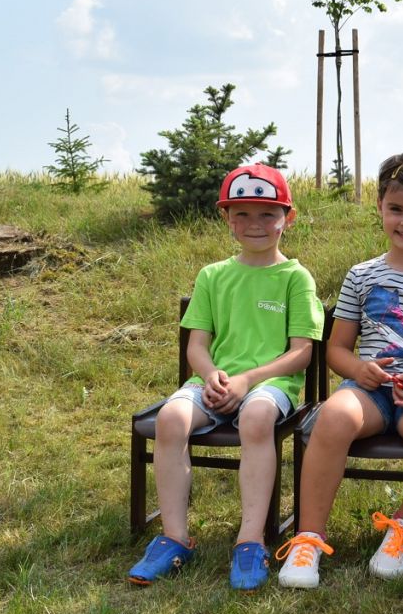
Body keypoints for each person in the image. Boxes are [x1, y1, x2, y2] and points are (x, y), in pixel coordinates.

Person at [278, 151, 403, 588]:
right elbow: (337, 349)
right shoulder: (361, 275)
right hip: (368, 392)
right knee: (333, 417)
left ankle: (402, 528)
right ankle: (308, 539)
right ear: (379, 207)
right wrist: (360, 369)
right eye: (396, 209)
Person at [128, 163, 325, 591]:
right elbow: (197, 346)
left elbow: (301, 354)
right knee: (170, 419)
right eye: (242, 214)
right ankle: (175, 538)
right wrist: (211, 374)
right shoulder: (212, 276)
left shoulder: (295, 278)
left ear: (288, 217)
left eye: (267, 214)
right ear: (227, 218)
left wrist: (247, 380)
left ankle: (250, 540)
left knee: (255, 418)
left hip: (270, 386)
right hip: (214, 383)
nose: (255, 224)